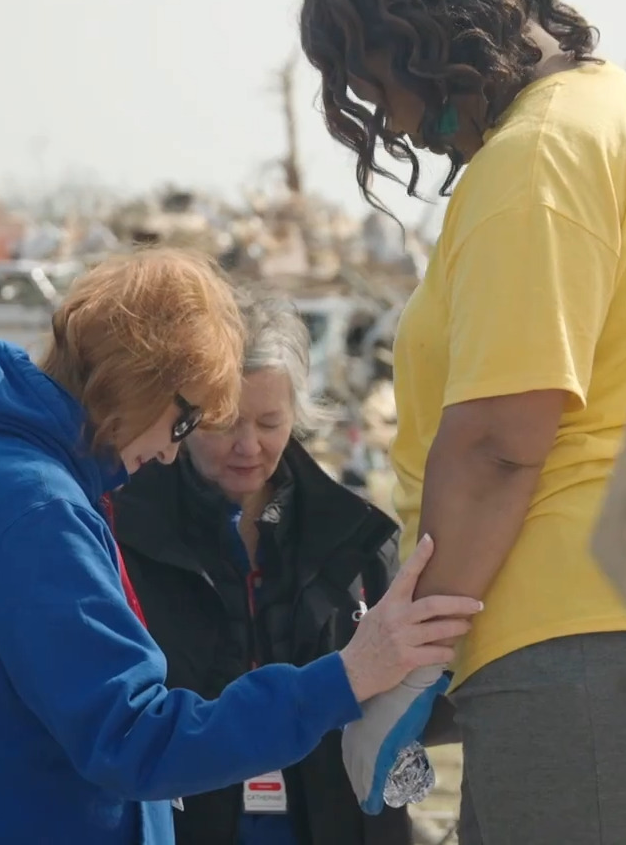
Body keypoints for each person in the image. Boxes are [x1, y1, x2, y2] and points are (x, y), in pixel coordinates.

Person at [298, 0, 626, 844]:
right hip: (624, 621)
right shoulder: (616, 120)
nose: (396, 123)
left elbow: (500, 441)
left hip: (577, 630)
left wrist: (410, 658)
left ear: (426, 35)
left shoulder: (537, 159)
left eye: (379, 86)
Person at [0, 248, 484, 844]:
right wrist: (346, 676)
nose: (173, 449)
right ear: (140, 381)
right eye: (189, 421)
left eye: (267, 423)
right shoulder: (36, 510)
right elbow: (137, 739)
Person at [111, 294, 419, 845]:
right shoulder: (119, 533)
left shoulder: (358, 541)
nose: (248, 446)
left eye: (270, 422)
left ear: (298, 415)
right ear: (181, 418)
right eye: (224, 422)